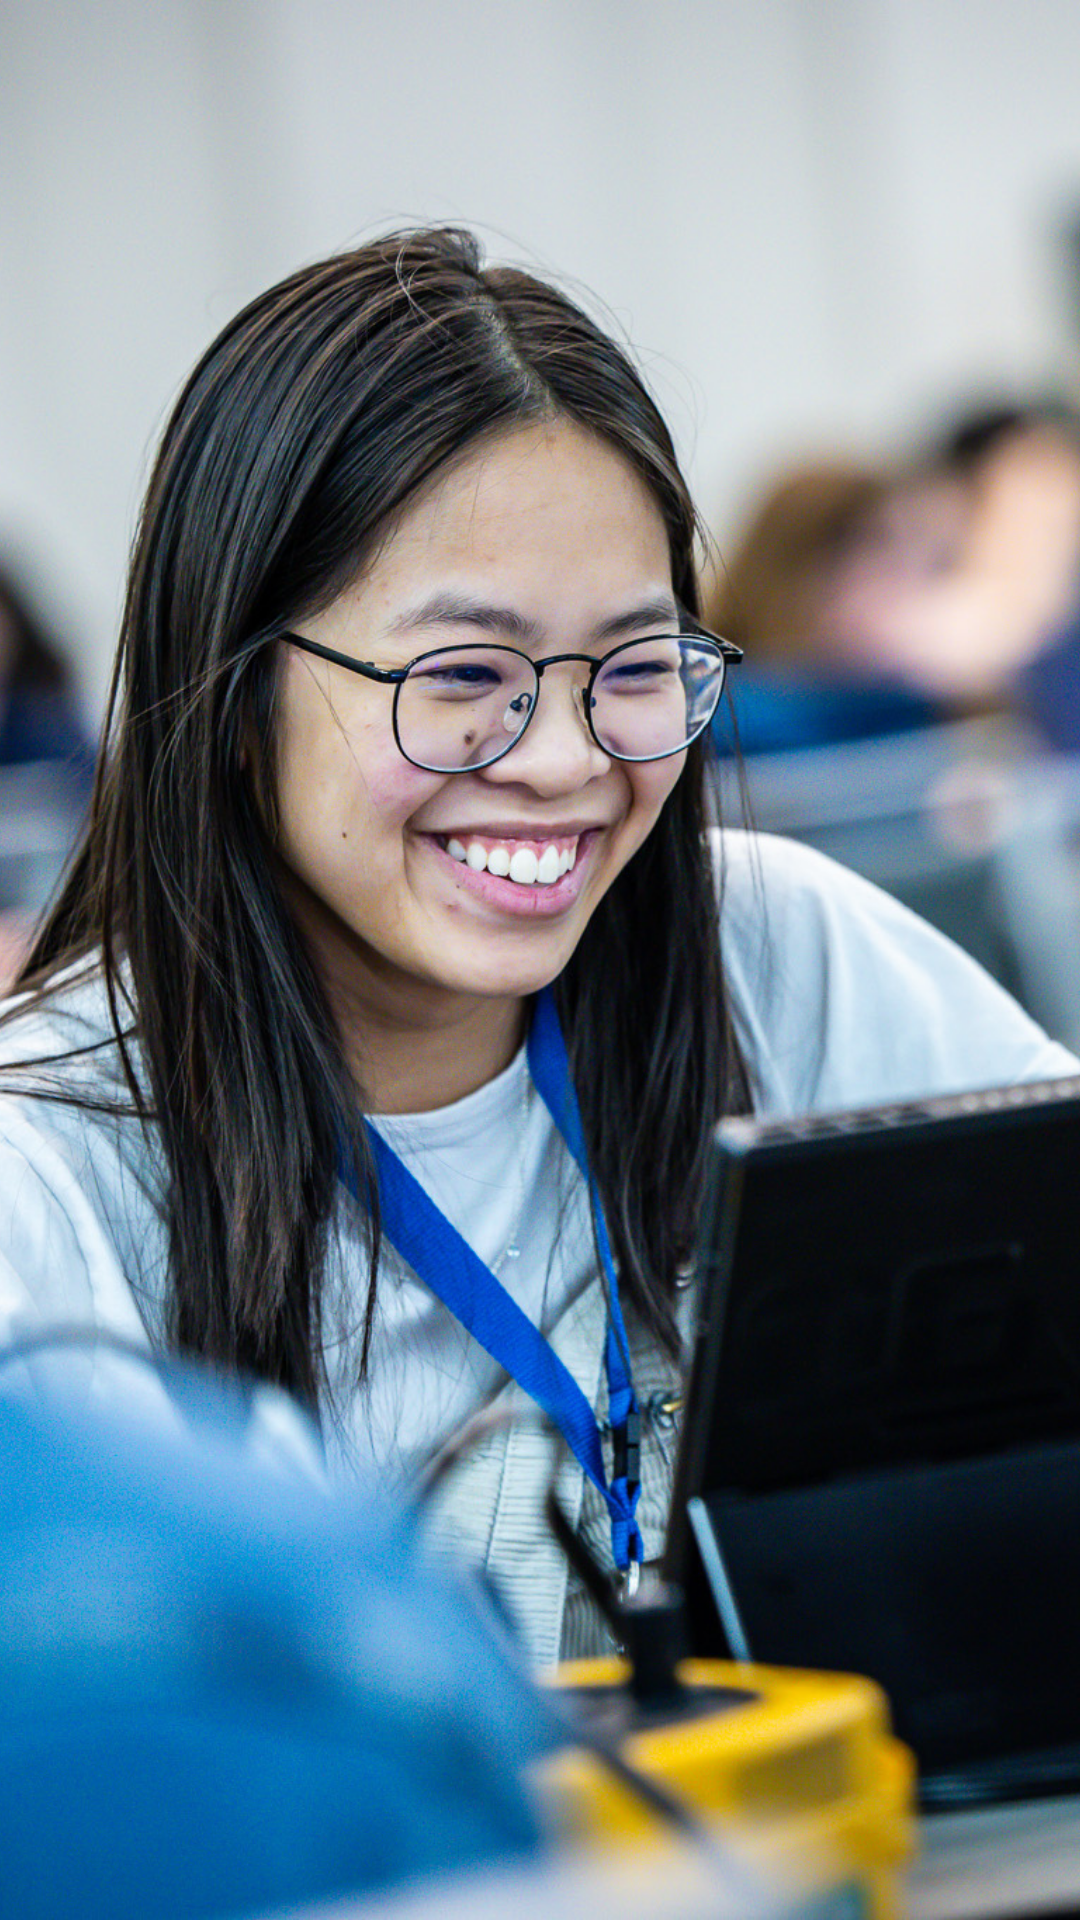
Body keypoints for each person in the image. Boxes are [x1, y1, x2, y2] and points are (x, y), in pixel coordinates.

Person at [0, 229, 1074, 1668]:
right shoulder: (55, 1165)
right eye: (463, 679)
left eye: (634, 668)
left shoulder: (776, 953)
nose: (566, 760)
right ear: (242, 694)